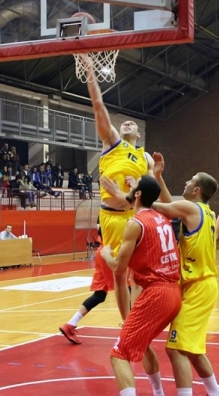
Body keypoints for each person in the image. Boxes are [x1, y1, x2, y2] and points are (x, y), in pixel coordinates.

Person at [102, 152, 219, 396]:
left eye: (190, 180)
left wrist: (126, 193)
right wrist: (155, 176)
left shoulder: (186, 209)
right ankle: (214, 393)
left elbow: (153, 204)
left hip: (193, 285)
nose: (187, 183)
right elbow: (167, 207)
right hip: (185, 287)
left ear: (197, 189)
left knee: (174, 349)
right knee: (191, 350)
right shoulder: (204, 213)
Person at [58, 55, 154, 345]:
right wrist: (90, 72)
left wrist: (137, 188)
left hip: (134, 218)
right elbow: (98, 106)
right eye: (123, 121)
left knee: (136, 277)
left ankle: (127, 325)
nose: (126, 122)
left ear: (139, 133)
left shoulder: (145, 158)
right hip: (112, 218)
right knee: (120, 275)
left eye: (132, 123)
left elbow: (148, 197)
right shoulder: (112, 143)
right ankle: (128, 330)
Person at [100, 175, 181, 396]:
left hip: (156, 294)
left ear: (137, 194)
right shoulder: (161, 218)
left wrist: (106, 254)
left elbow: (118, 267)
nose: (131, 187)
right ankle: (158, 393)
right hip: (173, 293)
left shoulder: (135, 224)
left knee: (118, 354)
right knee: (141, 344)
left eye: (133, 185)